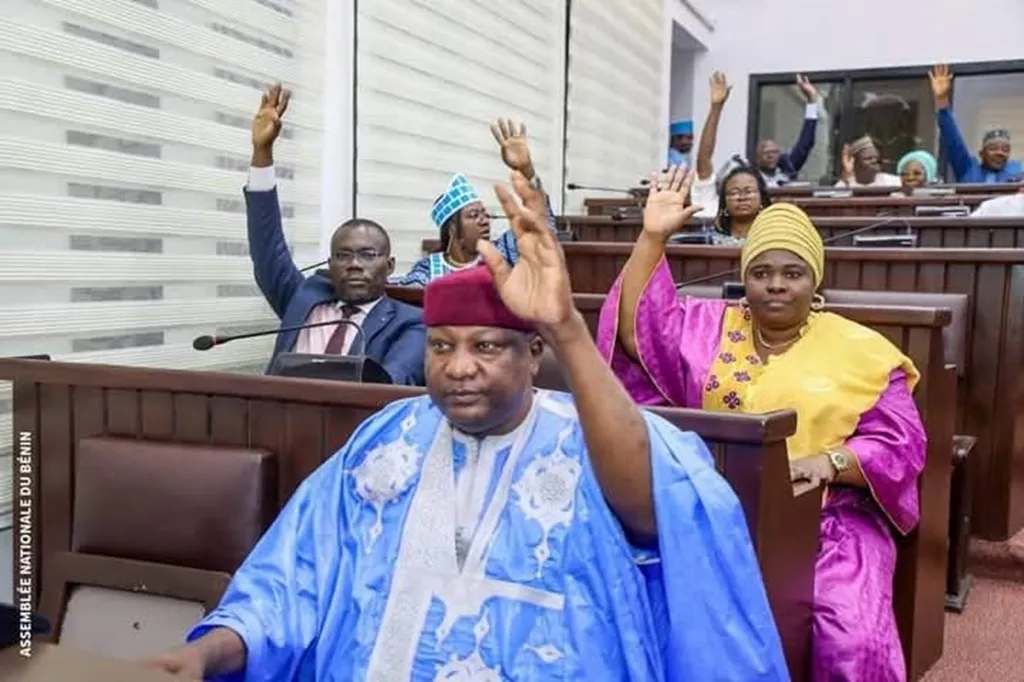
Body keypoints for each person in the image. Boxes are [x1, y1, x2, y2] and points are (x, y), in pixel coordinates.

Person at [146, 171, 790, 681]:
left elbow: (659, 515)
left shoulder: (592, 436)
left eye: (485, 347)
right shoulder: (384, 442)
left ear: (532, 355)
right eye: (441, 347)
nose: (458, 368)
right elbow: (291, 582)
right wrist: (209, 653)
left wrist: (565, 325)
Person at [596, 170, 926, 682]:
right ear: (744, 276)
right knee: (645, 600)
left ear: (815, 278)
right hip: (715, 511)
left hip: (831, 522)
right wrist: (653, 237)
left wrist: (832, 462)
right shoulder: (710, 326)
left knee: (850, 635)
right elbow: (641, 332)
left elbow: (900, 443)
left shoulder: (861, 349)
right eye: (761, 272)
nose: (775, 284)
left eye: (792, 273)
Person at [246, 84, 425, 385]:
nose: (354, 264)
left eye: (368, 255)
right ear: (330, 264)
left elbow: (393, 384)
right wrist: (261, 153)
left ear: (390, 265)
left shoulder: (411, 322)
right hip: (277, 422)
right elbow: (267, 247)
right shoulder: (302, 298)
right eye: (343, 256)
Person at [392, 119, 558, 286]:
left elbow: (540, 223)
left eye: (486, 215)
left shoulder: (502, 253)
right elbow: (409, 293)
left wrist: (526, 171)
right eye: (474, 215)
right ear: (452, 228)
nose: (484, 220)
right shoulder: (428, 271)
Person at [929, 64, 1023, 183]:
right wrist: (942, 99)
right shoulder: (968, 169)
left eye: (1005, 149)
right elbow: (952, 139)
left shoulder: (1018, 174)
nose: (1000, 153)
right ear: (981, 154)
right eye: (993, 148)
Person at [756, 75, 820, 187]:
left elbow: (806, 143)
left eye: (775, 152)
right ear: (758, 157)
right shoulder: (751, 176)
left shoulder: (787, 169)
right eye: (767, 153)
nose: (771, 156)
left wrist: (812, 100)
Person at [706, 163, 772, 245]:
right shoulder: (710, 240)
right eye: (734, 193)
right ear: (724, 201)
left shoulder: (773, 238)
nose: (742, 197)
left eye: (748, 191)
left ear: (762, 197)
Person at [835, 136, 901, 188]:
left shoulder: (892, 182)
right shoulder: (843, 185)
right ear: (854, 163)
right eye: (868, 158)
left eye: (876, 157)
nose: (874, 161)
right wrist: (847, 177)